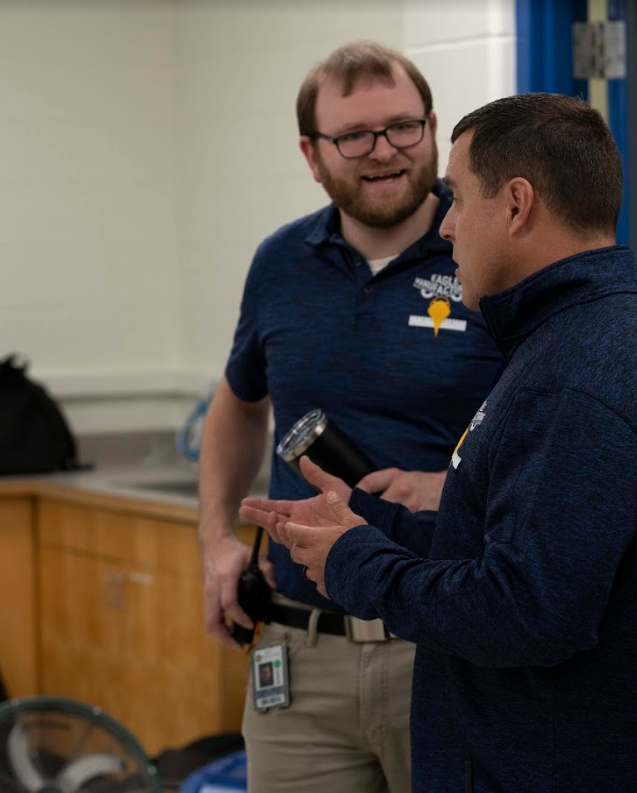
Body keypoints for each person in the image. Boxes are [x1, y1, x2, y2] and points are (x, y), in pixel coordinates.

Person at [241, 93, 637, 792]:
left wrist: (358, 564)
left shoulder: (576, 377)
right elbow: (527, 547)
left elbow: (525, 611)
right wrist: (373, 522)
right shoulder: (608, 342)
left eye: (461, 198)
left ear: (517, 205)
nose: (446, 226)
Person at [197, 41, 501, 793]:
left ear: (433, 127)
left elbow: (540, 428)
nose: (385, 153)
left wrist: (447, 486)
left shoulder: (487, 257)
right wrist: (215, 541)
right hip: (300, 653)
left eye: (404, 127)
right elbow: (238, 402)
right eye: (355, 136)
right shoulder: (280, 262)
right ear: (312, 153)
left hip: (442, 643)